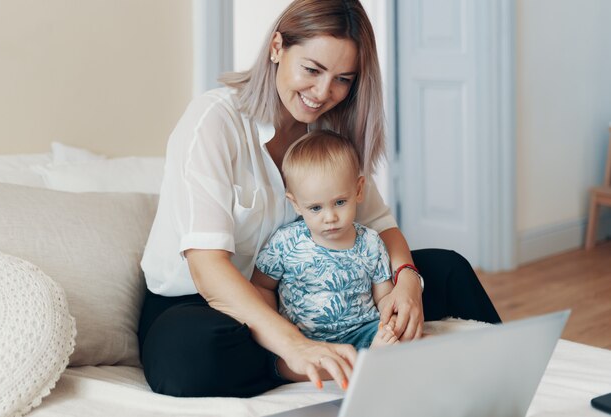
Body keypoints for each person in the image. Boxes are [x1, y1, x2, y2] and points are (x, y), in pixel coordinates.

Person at [138, 0, 501, 399]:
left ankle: (511, 380)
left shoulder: (327, 133)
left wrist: (406, 282)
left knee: (448, 268)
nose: (323, 93)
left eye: (343, 79)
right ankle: (301, 366)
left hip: (313, 295)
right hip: (210, 302)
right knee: (189, 353)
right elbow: (208, 270)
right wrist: (294, 344)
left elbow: (382, 227)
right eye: (312, 70)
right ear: (277, 47)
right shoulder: (213, 122)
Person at [252, 129, 402, 351]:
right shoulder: (285, 242)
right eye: (315, 208)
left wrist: (390, 325)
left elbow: (384, 296)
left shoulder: (370, 242)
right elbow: (261, 286)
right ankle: (349, 361)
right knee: (276, 362)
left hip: (362, 331)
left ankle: (367, 356)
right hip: (304, 339)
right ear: (296, 204)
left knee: (405, 338)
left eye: (340, 202)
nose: (330, 217)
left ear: (358, 190)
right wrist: (278, 327)